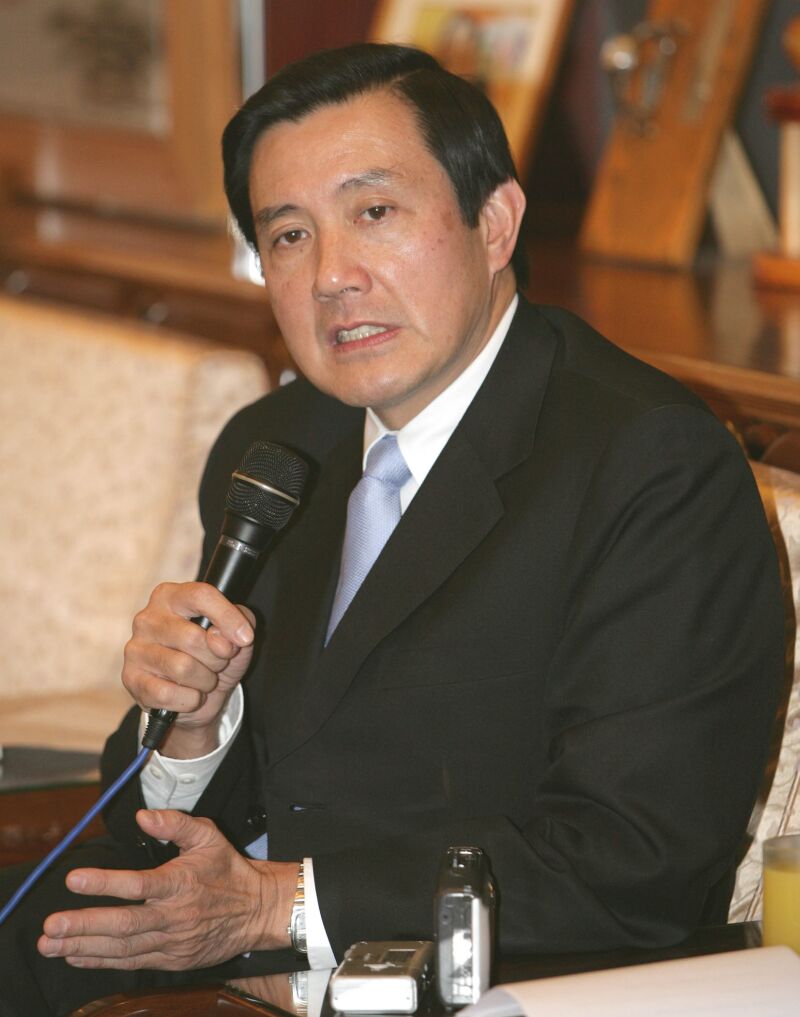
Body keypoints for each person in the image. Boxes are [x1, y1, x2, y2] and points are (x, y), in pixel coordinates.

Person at [0, 42, 785, 1016]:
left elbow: (636, 861)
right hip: (232, 955)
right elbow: (188, 818)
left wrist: (276, 906)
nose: (332, 276)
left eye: (374, 213)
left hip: (482, 980)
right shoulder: (278, 445)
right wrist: (197, 728)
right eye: (290, 235)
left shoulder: (649, 466)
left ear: (493, 222)